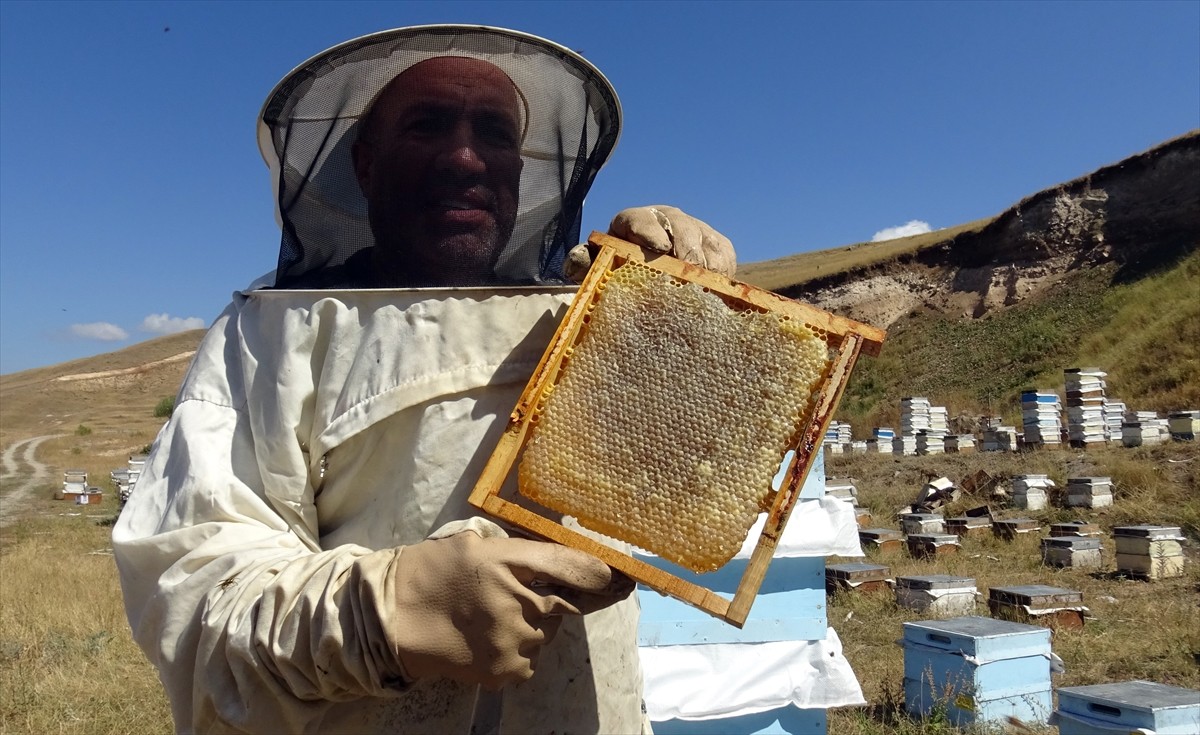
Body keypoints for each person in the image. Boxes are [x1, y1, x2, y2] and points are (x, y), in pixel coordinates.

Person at [113, 25, 735, 734]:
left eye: (495, 133)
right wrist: (385, 610)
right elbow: (193, 592)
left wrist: (674, 307)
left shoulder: (582, 317)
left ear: (524, 167)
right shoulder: (271, 335)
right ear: (366, 163)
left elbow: (693, 481)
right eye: (428, 125)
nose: (465, 157)